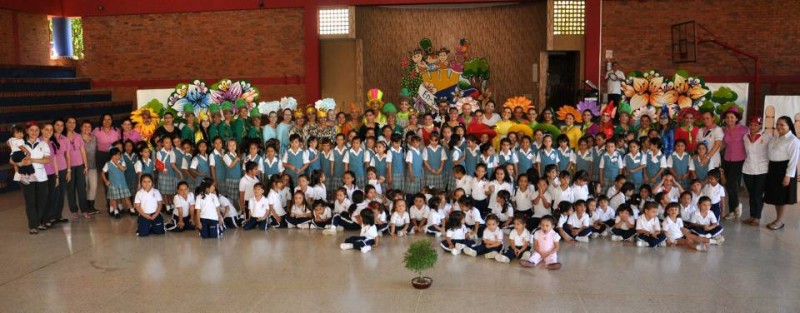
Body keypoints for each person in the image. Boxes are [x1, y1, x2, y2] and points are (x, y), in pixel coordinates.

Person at [764, 116, 800, 230]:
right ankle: (777, 219)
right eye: (778, 124)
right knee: (776, 197)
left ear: (789, 126)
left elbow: (793, 160)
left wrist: (788, 176)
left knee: (782, 197)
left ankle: (779, 221)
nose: (779, 127)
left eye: (782, 125)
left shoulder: (793, 140)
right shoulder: (776, 137)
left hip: (784, 169)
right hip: (774, 169)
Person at [741, 117, 769, 226]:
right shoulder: (745, 137)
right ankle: (752, 216)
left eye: (755, 125)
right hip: (748, 169)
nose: (753, 127)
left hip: (762, 169)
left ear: (760, 126)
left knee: (758, 194)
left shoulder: (766, 137)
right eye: (751, 125)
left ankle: (757, 217)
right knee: (751, 194)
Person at [721, 107, 748, 220]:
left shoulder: (744, 129)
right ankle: (734, 208)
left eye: (732, 117)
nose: (729, 119)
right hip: (727, 159)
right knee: (729, 185)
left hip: (740, 160)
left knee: (731, 184)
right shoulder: (723, 130)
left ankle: (734, 208)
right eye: (727, 117)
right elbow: (722, 145)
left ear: (737, 118)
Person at [102, 147, 133, 219]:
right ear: (111, 156)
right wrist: (106, 181)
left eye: (119, 155)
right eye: (115, 155)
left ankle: (131, 209)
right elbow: (103, 173)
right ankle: (116, 211)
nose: (117, 157)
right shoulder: (108, 164)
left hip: (122, 184)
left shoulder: (122, 162)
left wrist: (117, 163)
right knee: (114, 199)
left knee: (127, 197)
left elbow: (123, 169)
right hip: (113, 185)